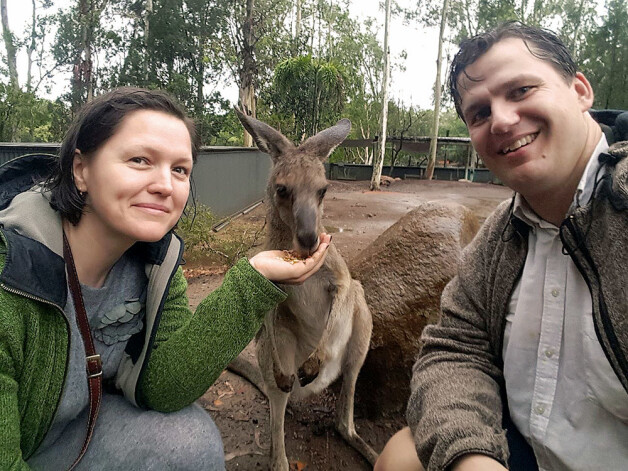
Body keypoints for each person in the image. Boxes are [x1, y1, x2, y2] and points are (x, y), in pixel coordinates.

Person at [0, 87, 332, 470]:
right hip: (21, 445)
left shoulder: (158, 260)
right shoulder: (12, 272)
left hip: (76, 432)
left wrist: (253, 280)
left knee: (191, 441)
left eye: (180, 170)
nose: (164, 185)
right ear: (81, 170)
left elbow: (164, 387)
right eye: (140, 160)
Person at [374, 22, 628, 471]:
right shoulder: (501, 235)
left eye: (521, 90)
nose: (503, 121)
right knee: (398, 458)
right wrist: (469, 455)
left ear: (580, 90)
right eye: (480, 113)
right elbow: (455, 346)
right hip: (523, 448)